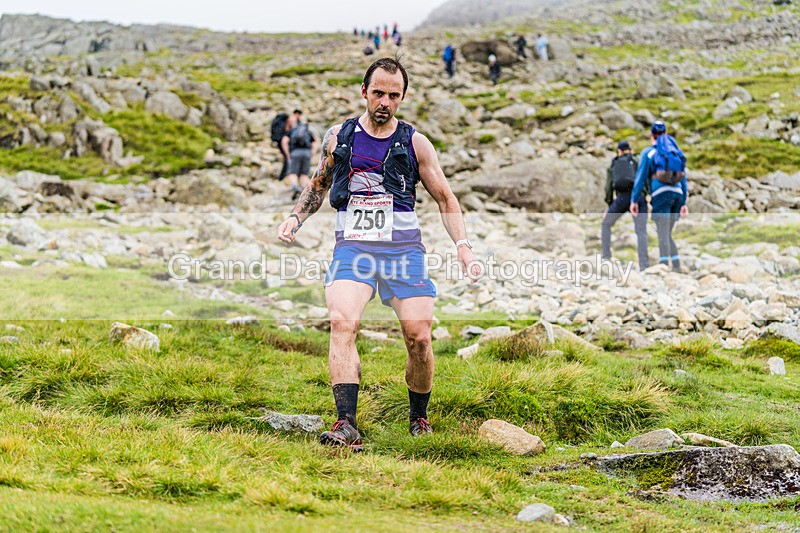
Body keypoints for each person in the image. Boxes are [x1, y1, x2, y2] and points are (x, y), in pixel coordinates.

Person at [277, 57, 480, 451]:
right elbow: (318, 185)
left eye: (394, 95)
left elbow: (446, 198)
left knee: (419, 337)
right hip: (353, 248)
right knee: (342, 324)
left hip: (404, 252)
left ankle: (418, 416)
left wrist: (463, 246)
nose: (385, 101)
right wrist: (294, 217)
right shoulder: (341, 136)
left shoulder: (415, 142)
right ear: (364, 92)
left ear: (402, 97)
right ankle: (346, 423)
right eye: (378, 93)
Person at [630, 121, 689, 272]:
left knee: (662, 231)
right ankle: (676, 265)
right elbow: (683, 179)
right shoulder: (676, 152)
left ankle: (664, 267)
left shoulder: (649, 152)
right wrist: (683, 202)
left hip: (661, 194)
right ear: (666, 133)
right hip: (677, 195)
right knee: (667, 232)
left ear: (651, 134)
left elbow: (641, 177)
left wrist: (634, 199)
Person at [602, 140, 649, 270]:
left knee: (606, 224)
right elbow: (645, 177)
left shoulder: (614, 163)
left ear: (619, 151)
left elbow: (608, 187)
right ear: (631, 150)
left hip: (622, 198)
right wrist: (647, 195)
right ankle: (644, 265)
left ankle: (606, 257)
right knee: (641, 231)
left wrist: (609, 205)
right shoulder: (636, 161)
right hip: (638, 197)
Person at [282, 110, 321, 200]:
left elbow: (284, 141)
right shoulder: (309, 129)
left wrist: (287, 155)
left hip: (295, 152)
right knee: (304, 174)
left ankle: (295, 188)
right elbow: (316, 142)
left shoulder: (293, 129)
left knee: (293, 173)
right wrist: (312, 153)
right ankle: (305, 192)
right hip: (307, 152)